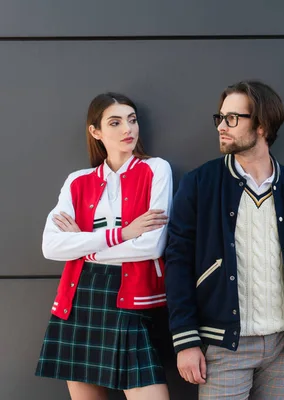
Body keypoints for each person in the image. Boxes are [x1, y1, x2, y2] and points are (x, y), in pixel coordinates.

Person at [165, 80, 284, 399]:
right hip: (224, 344)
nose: (221, 127)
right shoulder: (200, 183)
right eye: (220, 118)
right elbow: (178, 263)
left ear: (261, 125)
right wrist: (185, 339)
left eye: (233, 118)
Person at [35, 92, 172, 400]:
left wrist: (84, 247)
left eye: (132, 120)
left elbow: (151, 245)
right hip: (80, 298)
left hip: (131, 298)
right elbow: (51, 246)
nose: (128, 129)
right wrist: (122, 233)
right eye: (115, 122)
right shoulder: (77, 181)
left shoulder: (156, 170)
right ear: (95, 132)